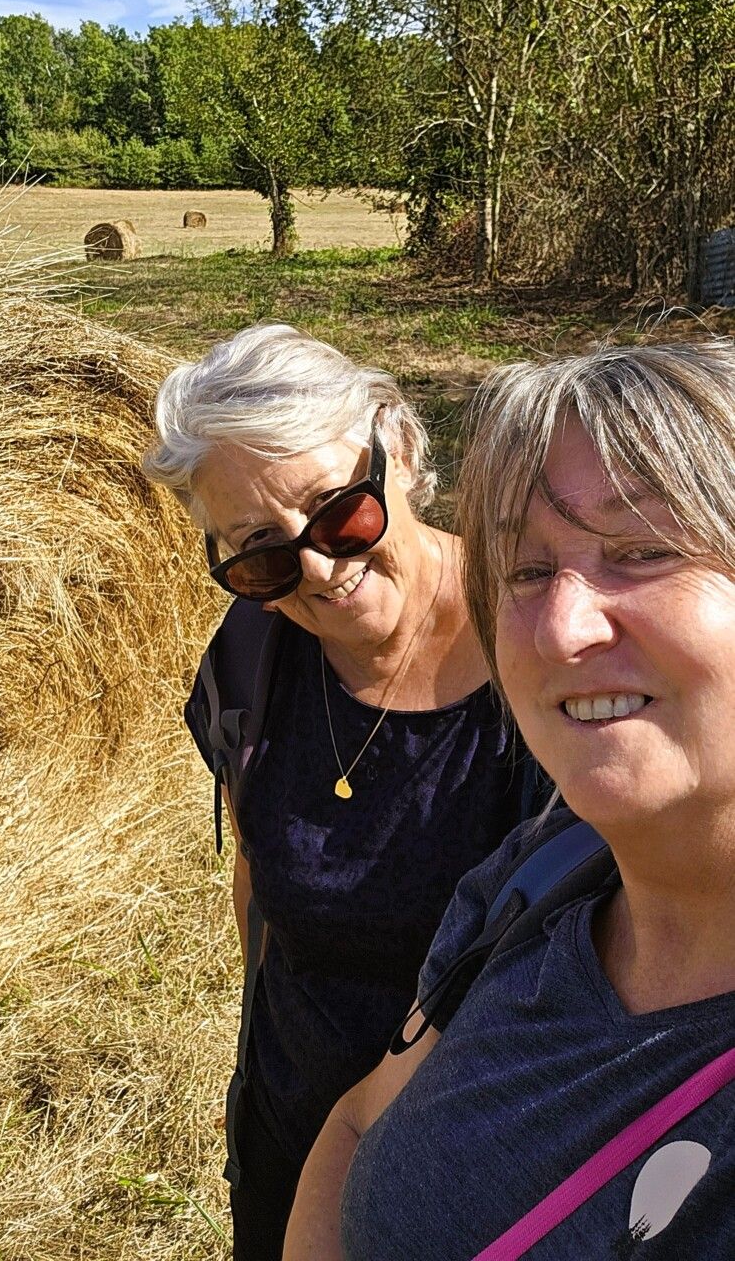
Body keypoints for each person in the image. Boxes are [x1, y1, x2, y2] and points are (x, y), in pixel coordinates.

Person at [283, 340, 735, 1261]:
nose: (561, 630)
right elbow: (359, 1123)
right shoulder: (539, 877)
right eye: (526, 571)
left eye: (641, 551)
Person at [143, 324, 537, 1261]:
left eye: (337, 511)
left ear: (396, 447)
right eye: (259, 552)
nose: (318, 570)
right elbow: (257, 877)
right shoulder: (250, 661)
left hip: (488, 1158)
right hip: (291, 1127)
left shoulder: (545, 646)